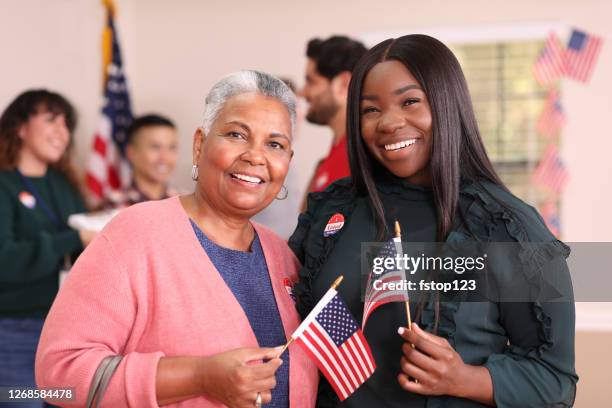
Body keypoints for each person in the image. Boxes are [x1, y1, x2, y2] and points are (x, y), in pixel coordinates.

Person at [289, 35, 577, 407]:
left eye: (410, 102)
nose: (389, 122)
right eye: (370, 110)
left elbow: (557, 382)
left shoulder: (508, 227)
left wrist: (464, 379)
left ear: (446, 103)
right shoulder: (332, 209)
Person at [36, 71, 318, 407]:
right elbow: (58, 377)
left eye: (275, 144)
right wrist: (199, 377)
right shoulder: (135, 234)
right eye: (236, 135)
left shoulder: (282, 255)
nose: (255, 156)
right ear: (199, 145)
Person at [0, 89, 96, 407]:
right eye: (51, 120)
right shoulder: (4, 183)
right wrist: (74, 239)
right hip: (15, 334)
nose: (62, 132)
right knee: (21, 401)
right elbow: (4, 260)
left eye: (67, 123)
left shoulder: (64, 184)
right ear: (20, 127)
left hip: (67, 335)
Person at [300, 35, 367, 195]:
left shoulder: (362, 159)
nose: (303, 92)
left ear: (343, 84)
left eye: (311, 81)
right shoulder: (330, 157)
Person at [104, 114, 179, 208]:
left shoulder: (186, 203)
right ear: (131, 153)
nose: (164, 158)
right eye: (155, 147)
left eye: (172, 148)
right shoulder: (114, 205)